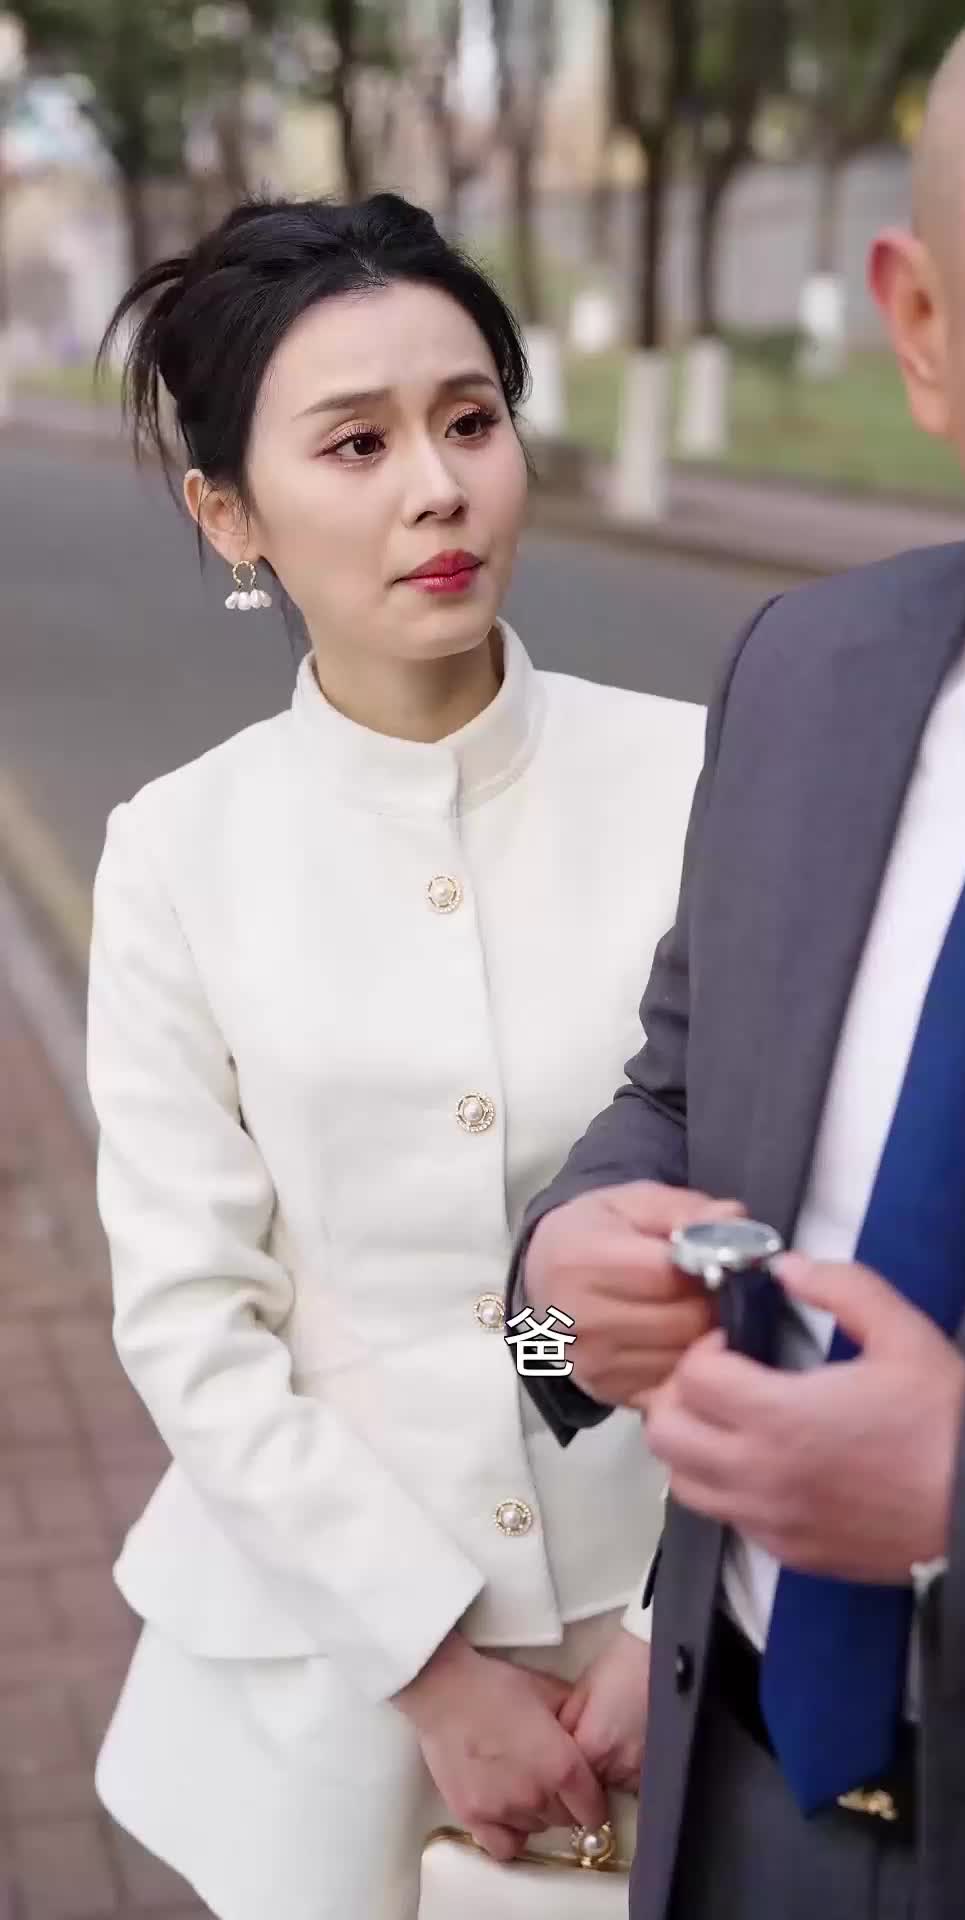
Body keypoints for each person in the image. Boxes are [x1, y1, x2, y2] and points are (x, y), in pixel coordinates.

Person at [510, 4, 965, 1917]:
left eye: (472, 423)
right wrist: (550, 1298)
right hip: (716, 1797)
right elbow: (672, 1109)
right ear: (922, 323)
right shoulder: (806, 674)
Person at [84, 192, 707, 1920]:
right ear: (229, 513)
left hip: (691, 1640)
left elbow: (803, 1236)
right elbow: (196, 1319)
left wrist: (672, 1620)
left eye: (470, 420)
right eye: (355, 443)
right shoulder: (177, 854)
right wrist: (433, 1670)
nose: (437, 487)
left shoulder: (710, 780)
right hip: (335, 1676)